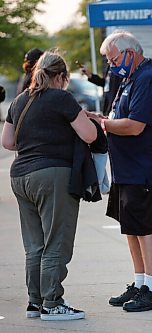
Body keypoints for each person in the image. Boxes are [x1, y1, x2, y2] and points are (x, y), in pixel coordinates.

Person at [1, 51, 97, 320]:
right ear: (62, 77)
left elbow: (8, 143)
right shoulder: (61, 98)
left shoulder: (20, 100)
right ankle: (53, 303)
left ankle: (35, 301)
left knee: (35, 245)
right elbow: (89, 135)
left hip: (20, 177)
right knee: (56, 242)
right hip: (52, 175)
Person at [91, 31, 152, 312]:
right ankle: (139, 283)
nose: (112, 66)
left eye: (114, 60)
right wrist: (105, 121)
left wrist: (102, 124)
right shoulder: (128, 79)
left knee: (146, 228)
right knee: (132, 228)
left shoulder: (147, 79)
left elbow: (135, 125)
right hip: (126, 168)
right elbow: (117, 117)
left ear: (130, 53)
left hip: (144, 167)